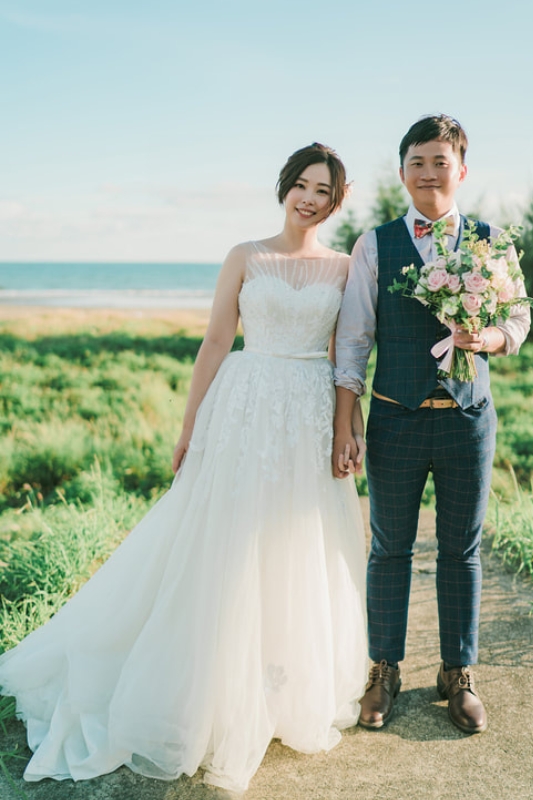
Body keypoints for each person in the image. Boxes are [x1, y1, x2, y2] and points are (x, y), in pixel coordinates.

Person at [0, 143, 370, 792]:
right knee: (223, 543)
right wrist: (189, 425)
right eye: (302, 185)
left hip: (308, 410)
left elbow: (348, 357)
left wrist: (347, 424)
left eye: (324, 191)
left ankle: (280, 687)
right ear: (284, 186)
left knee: (293, 545)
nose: (309, 199)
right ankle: (208, 685)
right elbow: (216, 341)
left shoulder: (346, 267)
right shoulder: (245, 255)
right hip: (245, 405)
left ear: (336, 202)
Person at [333, 115, 530, 734]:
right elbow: (354, 340)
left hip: (468, 419)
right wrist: (349, 422)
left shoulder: (491, 242)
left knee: (460, 550)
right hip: (393, 419)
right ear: (401, 172)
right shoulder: (374, 244)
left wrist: (489, 336)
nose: (427, 173)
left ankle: (457, 673)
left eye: (440, 161)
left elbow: (519, 321)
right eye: (416, 162)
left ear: (461, 170)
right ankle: (384, 669)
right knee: (389, 549)